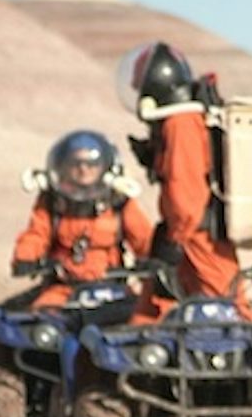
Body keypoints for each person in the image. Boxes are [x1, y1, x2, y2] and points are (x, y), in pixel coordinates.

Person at [115, 41, 252, 323]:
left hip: (199, 240)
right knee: (152, 315)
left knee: (229, 316)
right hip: (187, 237)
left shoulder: (181, 124)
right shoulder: (180, 123)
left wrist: (173, 241)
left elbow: (186, 194)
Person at [10, 130, 157, 310]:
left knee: (136, 321)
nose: (84, 170)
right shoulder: (53, 202)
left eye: (91, 164)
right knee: (41, 322)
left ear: (103, 167)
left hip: (111, 288)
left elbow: (143, 238)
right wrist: (25, 257)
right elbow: (37, 233)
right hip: (63, 288)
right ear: (65, 167)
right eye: (77, 164)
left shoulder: (118, 201)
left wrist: (155, 260)